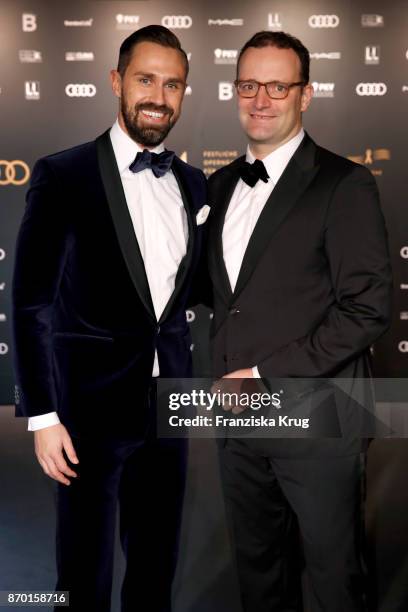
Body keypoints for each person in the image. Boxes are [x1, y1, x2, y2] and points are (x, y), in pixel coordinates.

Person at [12, 25, 207, 612]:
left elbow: (194, 295)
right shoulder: (62, 174)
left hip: (169, 404)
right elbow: (30, 303)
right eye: (146, 79)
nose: (159, 95)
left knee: (155, 567)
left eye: (173, 84)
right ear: (117, 82)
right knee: (82, 574)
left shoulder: (193, 182)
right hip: (86, 412)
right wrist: (42, 415)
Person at [207, 31, 392, 612]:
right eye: (248, 85)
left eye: (278, 86)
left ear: (305, 95)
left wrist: (263, 374)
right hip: (238, 425)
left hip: (320, 423)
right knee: (259, 577)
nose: (261, 99)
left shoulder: (345, 183)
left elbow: (367, 309)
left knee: (335, 581)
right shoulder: (215, 186)